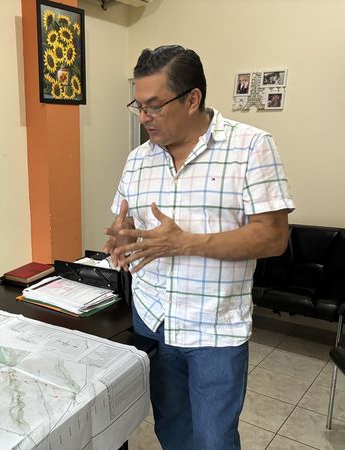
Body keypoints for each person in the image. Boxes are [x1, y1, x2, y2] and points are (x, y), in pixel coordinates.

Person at [105, 45, 294, 449]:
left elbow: (274, 237)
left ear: (192, 99)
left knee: (213, 440)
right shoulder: (138, 160)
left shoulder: (251, 147)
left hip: (214, 328)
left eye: (154, 106)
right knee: (171, 431)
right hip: (153, 320)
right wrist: (122, 238)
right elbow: (128, 225)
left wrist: (185, 243)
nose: (143, 117)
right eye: (138, 106)